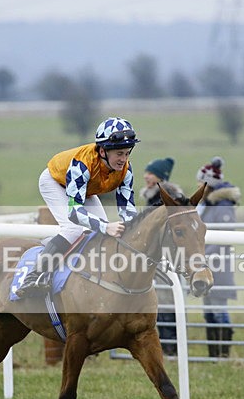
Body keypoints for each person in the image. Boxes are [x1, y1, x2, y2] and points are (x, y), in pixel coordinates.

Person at [15, 117, 139, 298]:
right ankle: (34, 275)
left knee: (101, 231)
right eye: (119, 154)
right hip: (55, 182)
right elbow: (74, 213)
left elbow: (127, 211)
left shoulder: (126, 170)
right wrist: (106, 226)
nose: (123, 159)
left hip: (85, 189)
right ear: (103, 151)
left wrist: (133, 229)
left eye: (127, 153)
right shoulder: (82, 164)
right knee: (73, 229)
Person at [195, 156, 240, 358]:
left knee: (219, 308)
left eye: (201, 183)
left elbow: (224, 237)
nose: (198, 187)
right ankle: (215, 354)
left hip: (218, 266)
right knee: (210, 309)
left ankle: (222, 354)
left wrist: (203, 257)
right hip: (207, 265)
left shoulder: (222, 206)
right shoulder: (209, 205)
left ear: (209, 184)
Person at [140, 157, 184, 355]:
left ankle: (170, 347)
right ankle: (167, 346)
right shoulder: (154, 198)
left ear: (161, 177)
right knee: (162, 301)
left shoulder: (167, 201)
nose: (146, 176)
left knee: (166, 301)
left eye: (151, 173)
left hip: (167, 258)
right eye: (147, 172)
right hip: (156, 258)